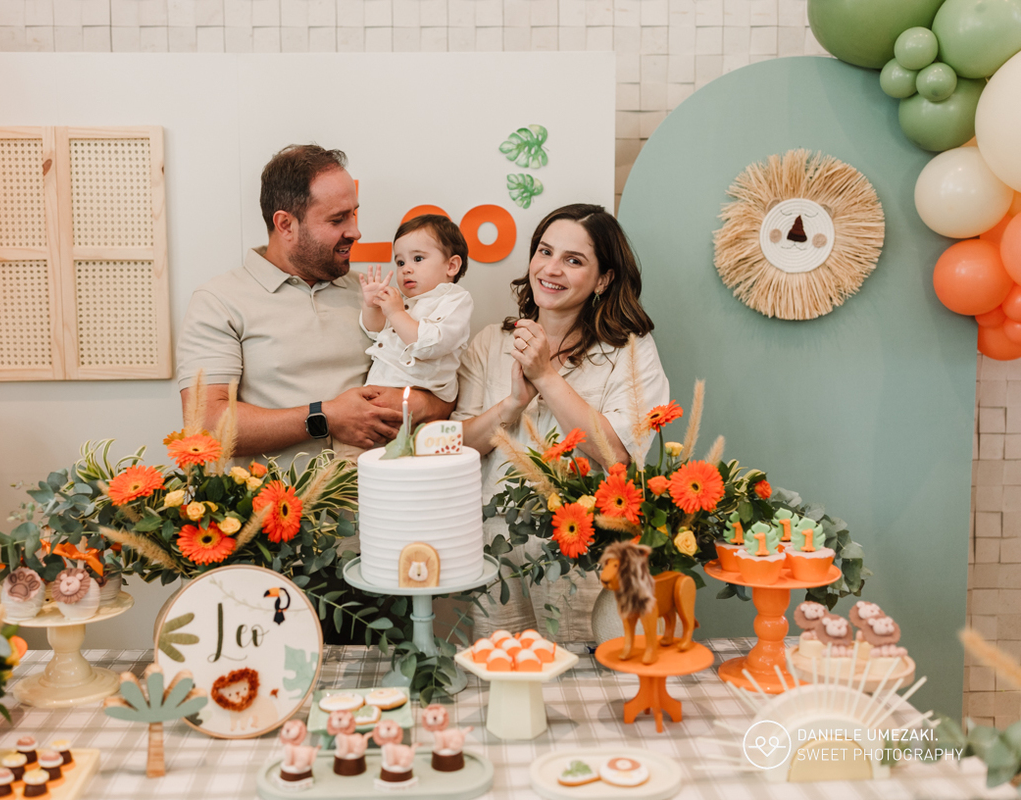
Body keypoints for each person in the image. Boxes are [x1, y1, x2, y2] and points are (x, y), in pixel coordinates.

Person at [453, 203, 671, 642]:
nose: (551, 269)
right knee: (504, 671)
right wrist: (512, 405)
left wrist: (545, 376)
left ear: (604, 279)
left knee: (592, 676)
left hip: (589, 552)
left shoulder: (629, 351)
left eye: (574, 260)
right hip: (496, 548)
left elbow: (620, 453)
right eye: (544, 252)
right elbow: (456, 444)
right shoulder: (491, 342)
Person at [176, 145, 452, 464]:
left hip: (383, 503)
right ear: (285, 225)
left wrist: (411, 402)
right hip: (278, 509)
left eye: (353, 213)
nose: (356, 231)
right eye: (337, 219)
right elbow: (206, 426)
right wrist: (325, 417)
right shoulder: (219, 301)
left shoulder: (378, 295)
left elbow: (442, 397)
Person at [357, 214, 474, 427]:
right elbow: (375, 332)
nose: (406, 269)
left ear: (451, 266)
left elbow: (429, 345)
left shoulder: (455, 299)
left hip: (416, 400)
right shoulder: (401, 302)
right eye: (400, 262)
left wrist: (395, 314)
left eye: (417, 259)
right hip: (378, 392)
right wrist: (371, 306)